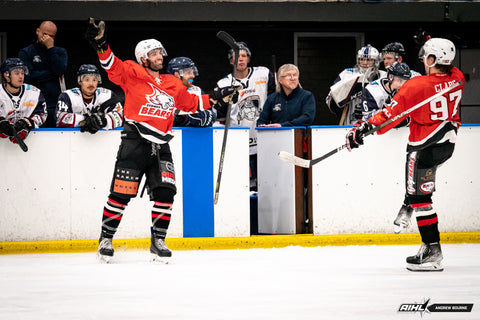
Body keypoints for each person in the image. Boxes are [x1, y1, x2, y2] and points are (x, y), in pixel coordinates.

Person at [84, 18, 238, 263]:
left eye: (160, 52)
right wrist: (101, 43)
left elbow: (191, 104)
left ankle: (158, 241)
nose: (159, 56)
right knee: (120, 194)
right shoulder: (132, 72)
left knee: (166, 193)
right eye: (154, 53)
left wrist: (218, 97)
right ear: (143, 57)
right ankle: (106, 238)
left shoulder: (171, 83)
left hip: (161, 145)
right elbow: (110, 65)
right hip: (134, 141)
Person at [345, 38, 465, 272]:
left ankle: (432, 248)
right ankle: (409, 202)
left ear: (432, 60)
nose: (422, 59)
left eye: (426, 56)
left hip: (423, 146)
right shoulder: (457, 78)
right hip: (447, 144)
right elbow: (447, 69)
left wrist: (361, 130)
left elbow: (387, 120)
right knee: (420, 190)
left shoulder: (415, 86)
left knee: (421, 198)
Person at [216, 41, 275, 190]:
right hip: (239, 138)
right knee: (244, 183)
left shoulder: (263, 73)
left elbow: (275, 98)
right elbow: (221, 114)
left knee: (266, 180)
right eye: (236, 56)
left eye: (243, 56)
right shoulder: (223, 83)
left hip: (263, 133)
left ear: (248, 58)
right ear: (231, 61)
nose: (240, 59)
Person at [18, 21, 68, 128]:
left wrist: (50, 49)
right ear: (37, 31)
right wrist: (53, 74)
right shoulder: (26, 52)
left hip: (54, 104)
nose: (47, 38)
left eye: (51, 36)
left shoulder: (60, 52)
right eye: (45, 34)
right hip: (33, 104)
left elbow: (60, 70)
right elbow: (29, 76)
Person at [326, 44, 386, 125]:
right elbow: (330, 98)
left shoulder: (383, 76)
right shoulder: (347, 73)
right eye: (361, 59)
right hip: (350, 121)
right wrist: (341, 99)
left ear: (376, 62)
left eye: (368, 60)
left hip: (375, 121)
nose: (364, 63)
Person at [55, 64, 123, 133]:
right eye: (87, 80)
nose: (91, 84)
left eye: (94, 80)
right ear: (79, 81)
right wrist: (87, 120)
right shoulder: (67, 96)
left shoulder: (108, 95)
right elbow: (60, 119)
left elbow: (119, 117)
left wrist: (103, 121)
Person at [0, 58, 47, 144]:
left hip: (31, 143)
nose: (21, 76)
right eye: (17, 73)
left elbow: (42, 115)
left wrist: (28, 122)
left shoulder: (34, 92)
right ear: (6, 75)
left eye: (22, 73)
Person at [166, 57, 216, 127]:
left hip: (194, 136)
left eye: (193, 72)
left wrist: (186, 117)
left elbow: (211, 117)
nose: (193, 76)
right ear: (177, 75)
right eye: (188, 72)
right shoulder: (161, 92)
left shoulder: (197, 90)